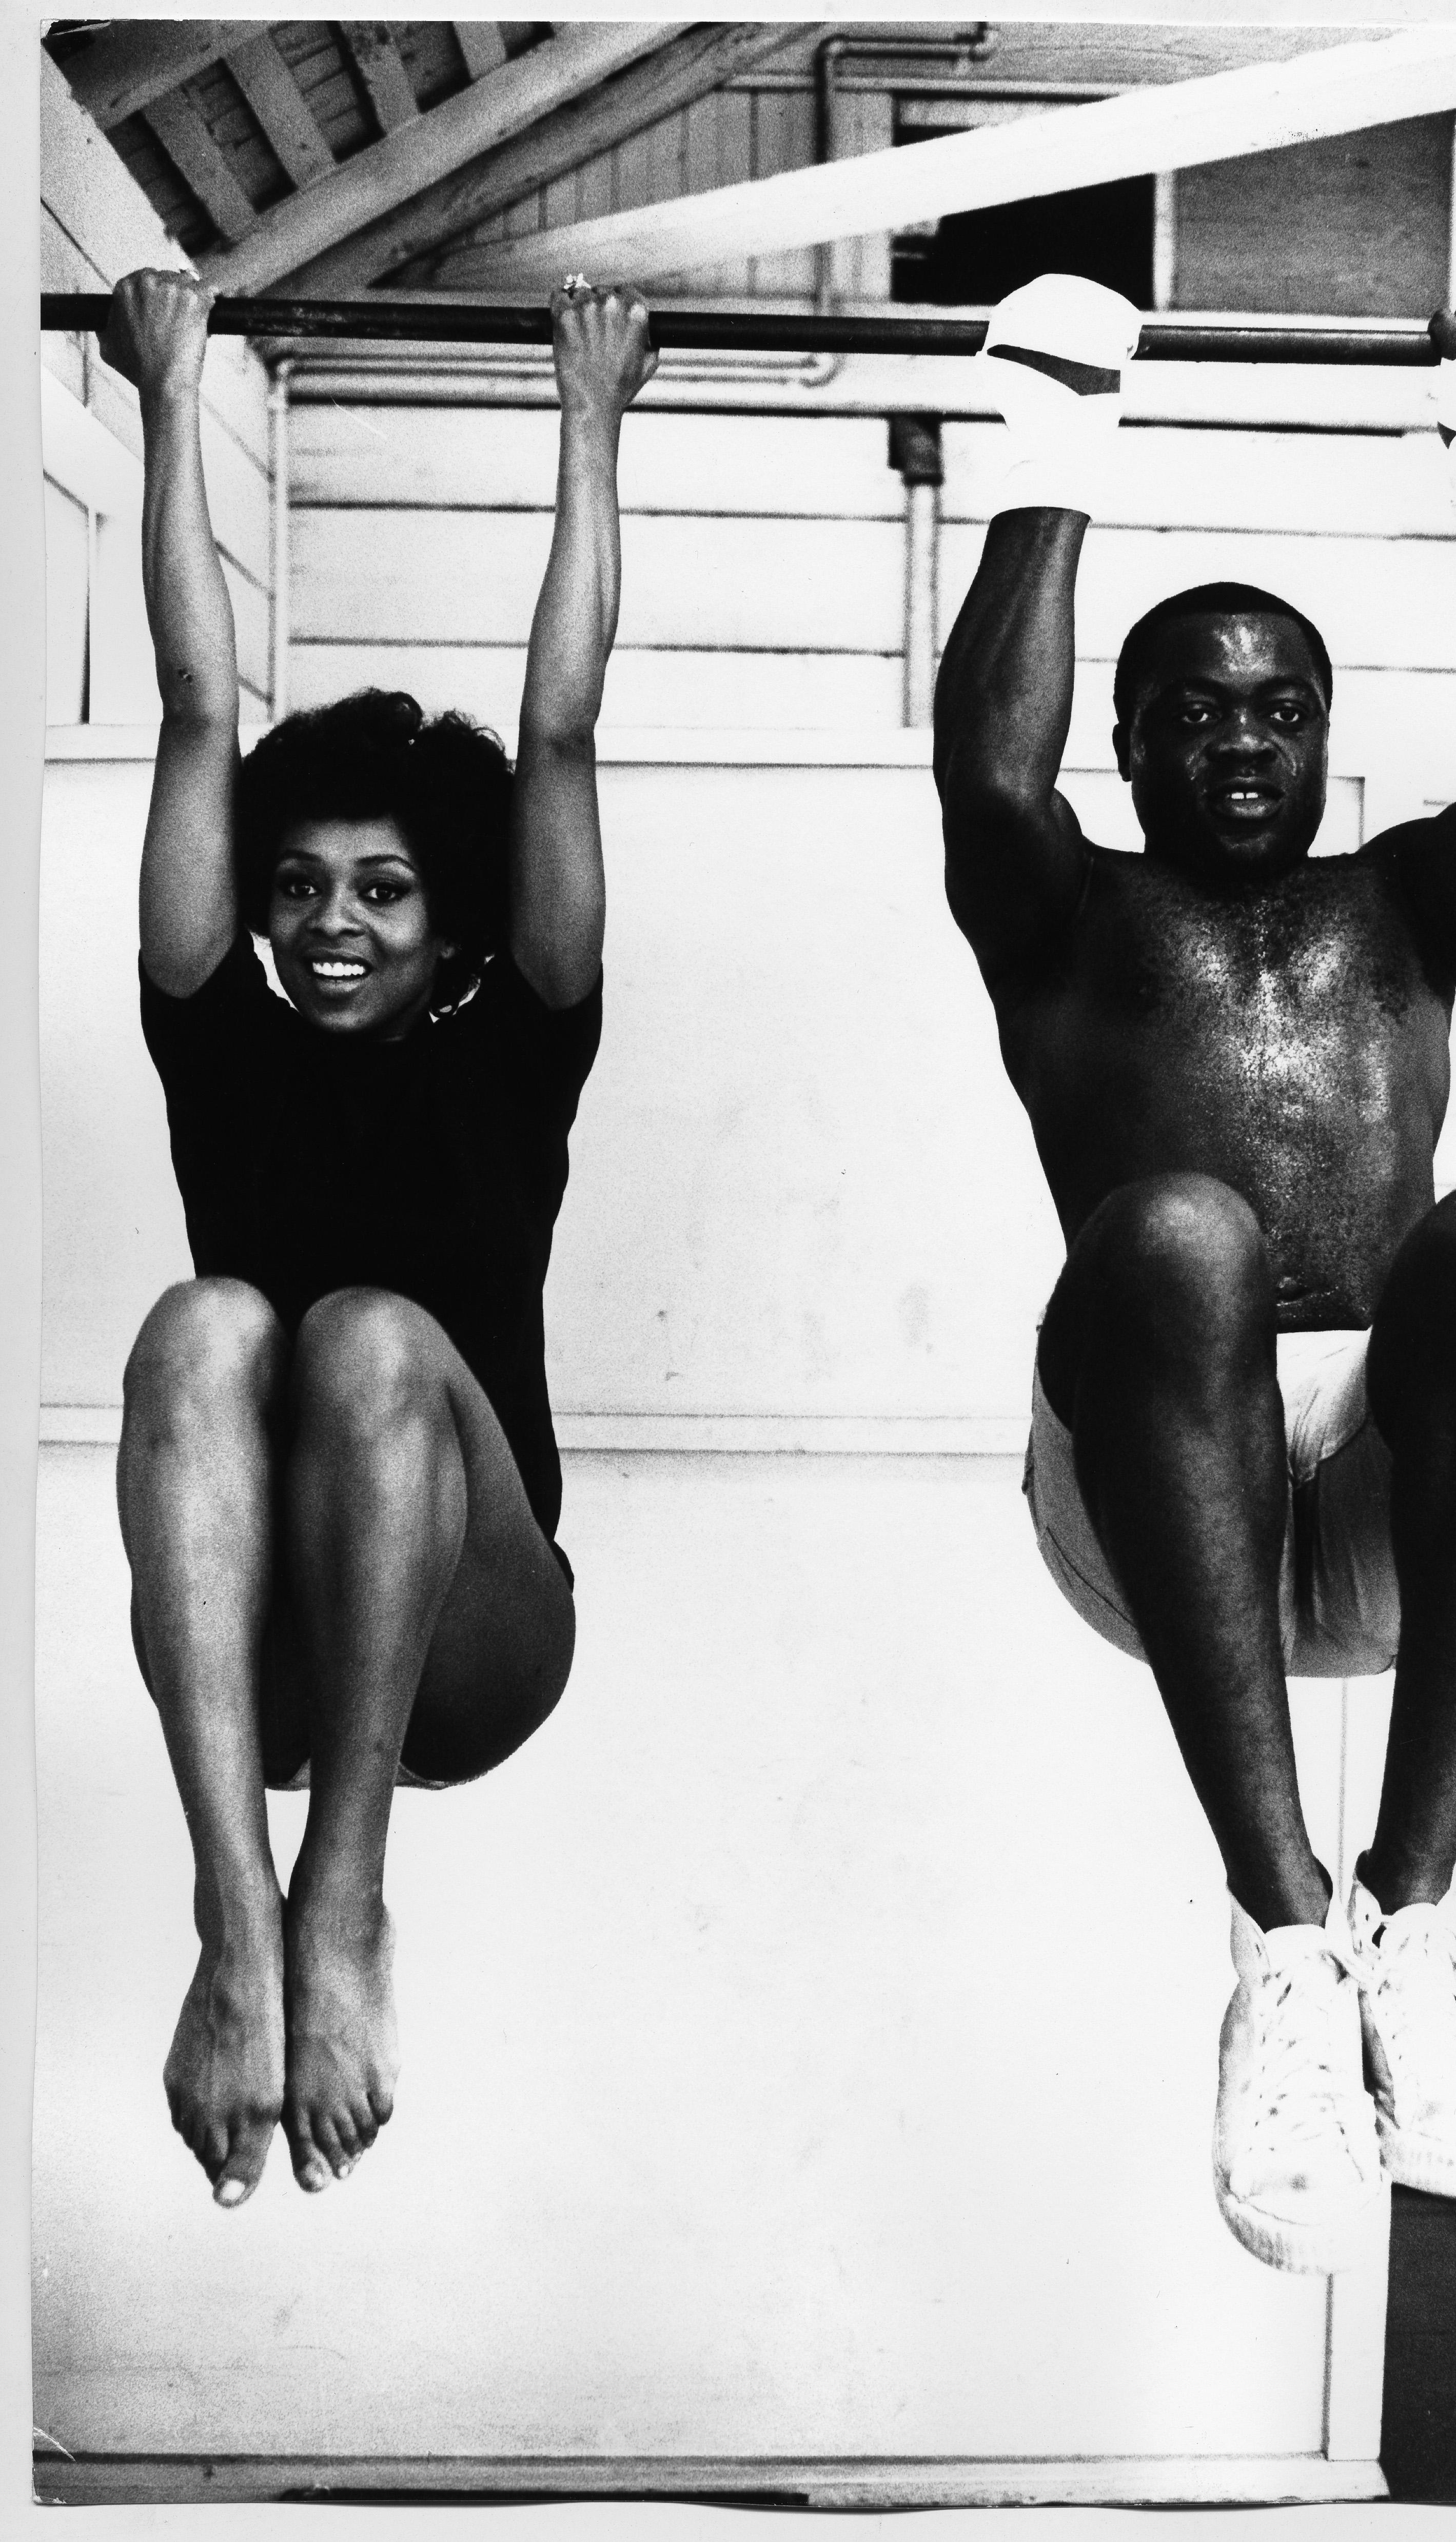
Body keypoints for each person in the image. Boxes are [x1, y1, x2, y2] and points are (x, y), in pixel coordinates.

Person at [934, 277, 1456, 2275]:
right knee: (1178, 1229)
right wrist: (1056, 452)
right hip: (1163, 1501)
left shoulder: (1401, 902)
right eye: (1194, 709)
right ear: (1128, 736)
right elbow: (986, 780)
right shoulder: (1060, 915)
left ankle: (1397, 1938)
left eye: (1276, 707)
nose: (1239, 738)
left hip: (1389, 1505)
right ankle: (1273, 1941)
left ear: (1322, 736)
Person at [107, 268, 656, 2209]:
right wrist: (175, 395)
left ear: (455, 909)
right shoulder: (217, 1029)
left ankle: (345, 1902)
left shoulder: (523, 1035)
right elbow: (194, 704)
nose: (332, 921)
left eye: (386, 886)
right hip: (261, 1638)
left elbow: (561, 732)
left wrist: (593, 420)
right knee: (203, 1323)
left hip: (475, 1644)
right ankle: (234, 1919)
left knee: (358, 1331)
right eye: (298, 887)